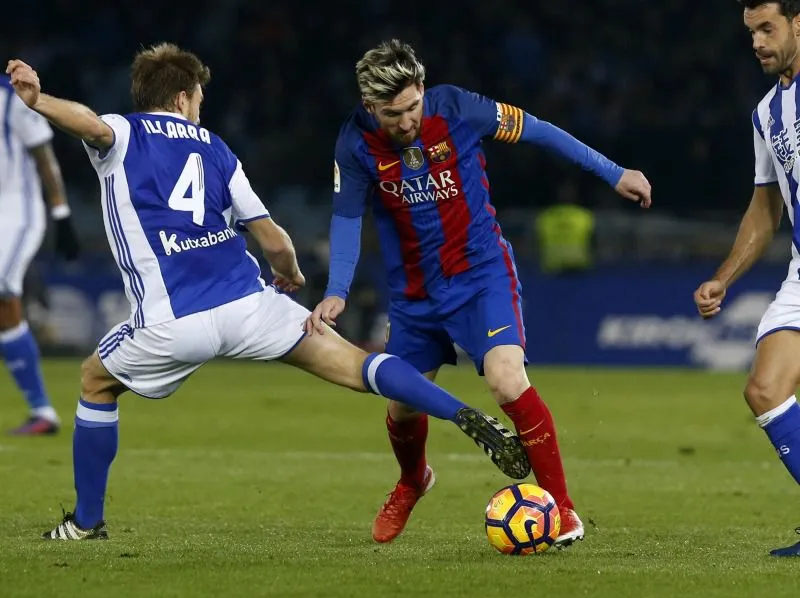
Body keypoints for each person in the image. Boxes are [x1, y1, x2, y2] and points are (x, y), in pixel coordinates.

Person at [5, 44, 529, 541]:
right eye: (199, 99)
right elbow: (273, 239)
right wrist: (291, 274)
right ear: (183, 97)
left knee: (95, 380)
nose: (200, 109)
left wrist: (38, 100)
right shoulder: (217, 150)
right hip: (250, 306)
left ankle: (86, 522)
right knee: (359, 365)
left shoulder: (125, 131)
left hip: (174, 318)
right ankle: (459, 411)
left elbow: (90, 124)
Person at [308, 39, 652, 547]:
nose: (404, 122)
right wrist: (337, 289)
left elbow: (538, 130)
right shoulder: (354, 142)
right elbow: (345, 216)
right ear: (368, 106)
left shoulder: (458, 108)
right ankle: (412, 481)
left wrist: (613, 172)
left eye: (411, 107)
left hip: (479, 274)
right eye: (390, 114)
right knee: (402, 404)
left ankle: (562, 509)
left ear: (422, 88)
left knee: (507, 380)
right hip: (414, 294)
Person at [695, 0, 800, 558]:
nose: (757, 42)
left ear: (798, 23)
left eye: (767, 28)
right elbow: (765, 209)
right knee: (765, 389)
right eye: (751, 32)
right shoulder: (766, 114)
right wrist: (724, 277)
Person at [0, 74, 80, 435]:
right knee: (6, 312)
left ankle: (42, 410)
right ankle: (42, 411)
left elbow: (44, 156)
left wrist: (61, 213)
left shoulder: (10, 98)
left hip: (17, 213)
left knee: (3, 291)